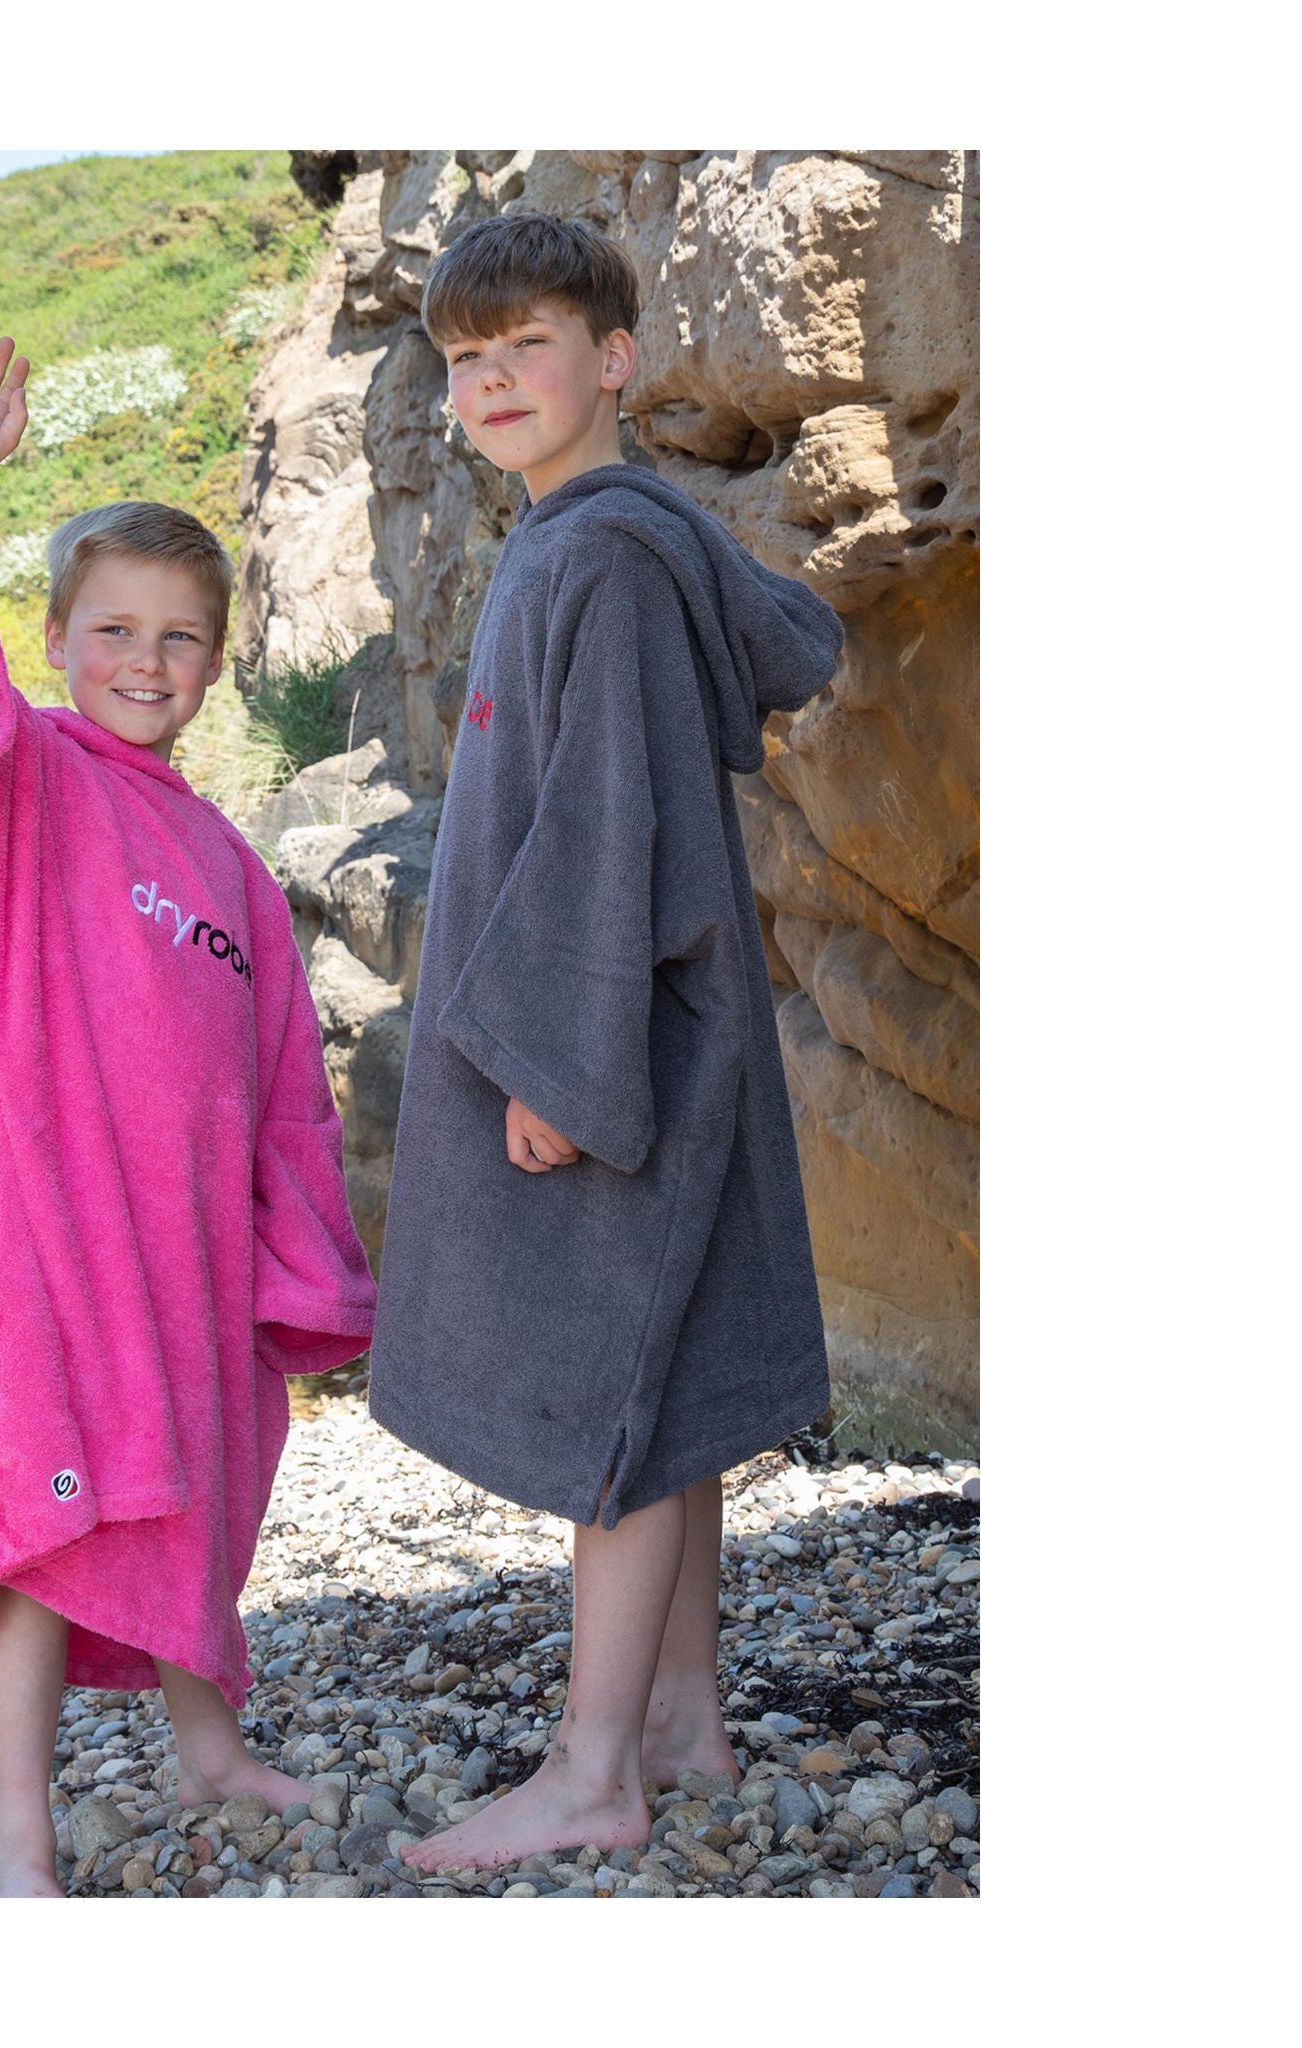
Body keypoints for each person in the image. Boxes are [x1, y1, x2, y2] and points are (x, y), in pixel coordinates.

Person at [0, 336, 377, 1897]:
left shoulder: (228, 864)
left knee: (198, 1489)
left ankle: (210, 1751)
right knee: (41, 1517)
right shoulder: (16, 787)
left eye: (180, 638)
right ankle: (21, 1834)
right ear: (54, 641)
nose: (145, 663)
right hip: (44, 1235)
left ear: (217, 659)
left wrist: (305, 1262)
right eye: (111, 631)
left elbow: (284, 1097)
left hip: (189, 1250)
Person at [366, 215, 845, 1874]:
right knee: (674, 1371)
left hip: (621, 1042)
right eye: (466, 357)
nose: (494, 381)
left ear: (615, 359)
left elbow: (603, 826)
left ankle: (591, 1773)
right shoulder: (580, 540)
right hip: (659, 1033)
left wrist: (561, 1068)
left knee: (606, 1390)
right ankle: (681, 1723)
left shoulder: (606, 560)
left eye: (530, 346)